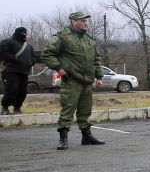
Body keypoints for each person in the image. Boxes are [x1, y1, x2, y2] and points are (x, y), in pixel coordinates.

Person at [39, 12, 105, 150]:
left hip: (86, 80)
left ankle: (86, 136)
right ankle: (63, 139)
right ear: (74, 22)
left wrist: (99, 77)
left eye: (86, 21)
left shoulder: (89, 39)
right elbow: (47, 54)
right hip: (71, 79)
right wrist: (59, 68)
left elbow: (96, 59)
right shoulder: (62, 37)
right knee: (68, 109)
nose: (86, 23)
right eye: (83, 21)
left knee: (85, 110)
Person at [1, 27, 38, 115]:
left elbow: (33, 57)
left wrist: (31, 62)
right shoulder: (8, 42)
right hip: (12, 71)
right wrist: (13, 58)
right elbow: (2, 52)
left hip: (24, 72)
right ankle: (5, 108)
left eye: (25, 33)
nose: (23, 34)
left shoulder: (28, 46)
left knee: (22, 91)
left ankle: (17, 107)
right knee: (11, 90)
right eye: (22, 33)